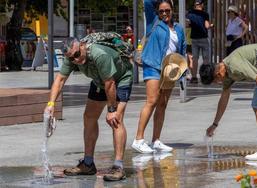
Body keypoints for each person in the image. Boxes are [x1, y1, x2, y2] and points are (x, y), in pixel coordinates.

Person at [44, 34, 133, 181]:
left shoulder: (99, 55)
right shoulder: (71, 56)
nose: (76, 60)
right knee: (89, 117)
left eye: (77, 54)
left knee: (115, 120)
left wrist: (111, 110)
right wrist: (51, 104)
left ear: (82, 45)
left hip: (120, 78)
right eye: (72, 58)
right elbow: (59, 80)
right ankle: (88, 163)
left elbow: (110, 84)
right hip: (100, 81)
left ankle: (118, 167)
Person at [131, 0, 186, 154]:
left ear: (172, 10)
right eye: (161, 11)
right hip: (153, 66)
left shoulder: (179, 29)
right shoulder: (153, 21)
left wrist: (183, 70)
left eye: (167, 10)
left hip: (170, 70)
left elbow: (180, 50)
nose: (164, 14)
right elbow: (148, 2)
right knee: (152, 101)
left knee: (162, 104)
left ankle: (156, 140)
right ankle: (138, 139)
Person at [200, 44, 257, 160]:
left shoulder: (234, 66)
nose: (218, 83)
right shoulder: (226, 72)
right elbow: (224, 99)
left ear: (218, 74)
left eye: (216, 81)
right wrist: (214, 124)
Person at [186, 0, 213, 84]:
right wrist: (212, 25)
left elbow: (187, 24)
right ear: (202, 5)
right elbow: (207, 26)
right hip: (203, 38)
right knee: (205, 59)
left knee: (195, 59)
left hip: (194, 39)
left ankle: (194, 78)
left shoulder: (190, 14)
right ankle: (206, 77)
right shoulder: (205, 14)